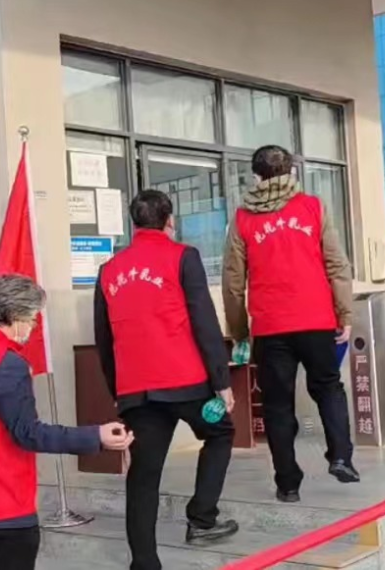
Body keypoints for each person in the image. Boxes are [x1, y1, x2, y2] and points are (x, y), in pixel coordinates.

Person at [0, 274, 133, 570]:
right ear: (15, 317)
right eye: (31, 319)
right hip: (0, 505)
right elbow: (28, 432)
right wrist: (96, 436)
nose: (33, 327)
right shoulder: (7, 363)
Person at [94, 189, 239, 570]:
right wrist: (221, 381)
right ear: (169, 221)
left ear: (133, 224)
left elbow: (104, 340)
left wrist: (118, 392)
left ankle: (144, 562)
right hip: (188, 385)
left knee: (143, 474)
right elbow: (204, 321)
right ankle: (202, 518)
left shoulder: (109, 271)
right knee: (220, 432)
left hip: (136, 393)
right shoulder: (183, 257)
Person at [222, 144, 358, 504]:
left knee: (278, 405)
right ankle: (341, 456)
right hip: (316, 320)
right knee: (328, 388)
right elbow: (337, 264)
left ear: (255, 177)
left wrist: (239, 332)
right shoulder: (313, 207)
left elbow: (233, 282)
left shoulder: (242, 219)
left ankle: (288, 483)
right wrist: (344, 314)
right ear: (292, 172)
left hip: (270, 328)